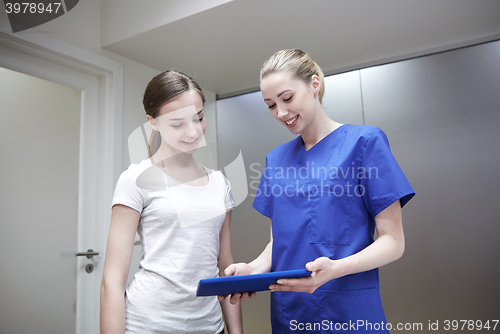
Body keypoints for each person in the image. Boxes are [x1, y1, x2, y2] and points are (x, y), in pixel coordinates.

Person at [221, 49, 415, 333]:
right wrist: (251, 270)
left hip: (349, 311)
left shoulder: (364, 143)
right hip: (290, 314)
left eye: (287, 98)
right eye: (271, 105)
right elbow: (280, 243)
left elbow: (393, 242)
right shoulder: (276, 159)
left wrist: (336, 269)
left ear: (314, 85)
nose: (281, 112)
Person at [100, 70, 242, 334]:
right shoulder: (135, 179)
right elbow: (112, 281)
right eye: (177, 123)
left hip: (210, 326)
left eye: (198, 118)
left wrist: (236, 331)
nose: (193, 131)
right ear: (152, 122)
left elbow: (226, 266)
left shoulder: (221, 183)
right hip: (148, 325)